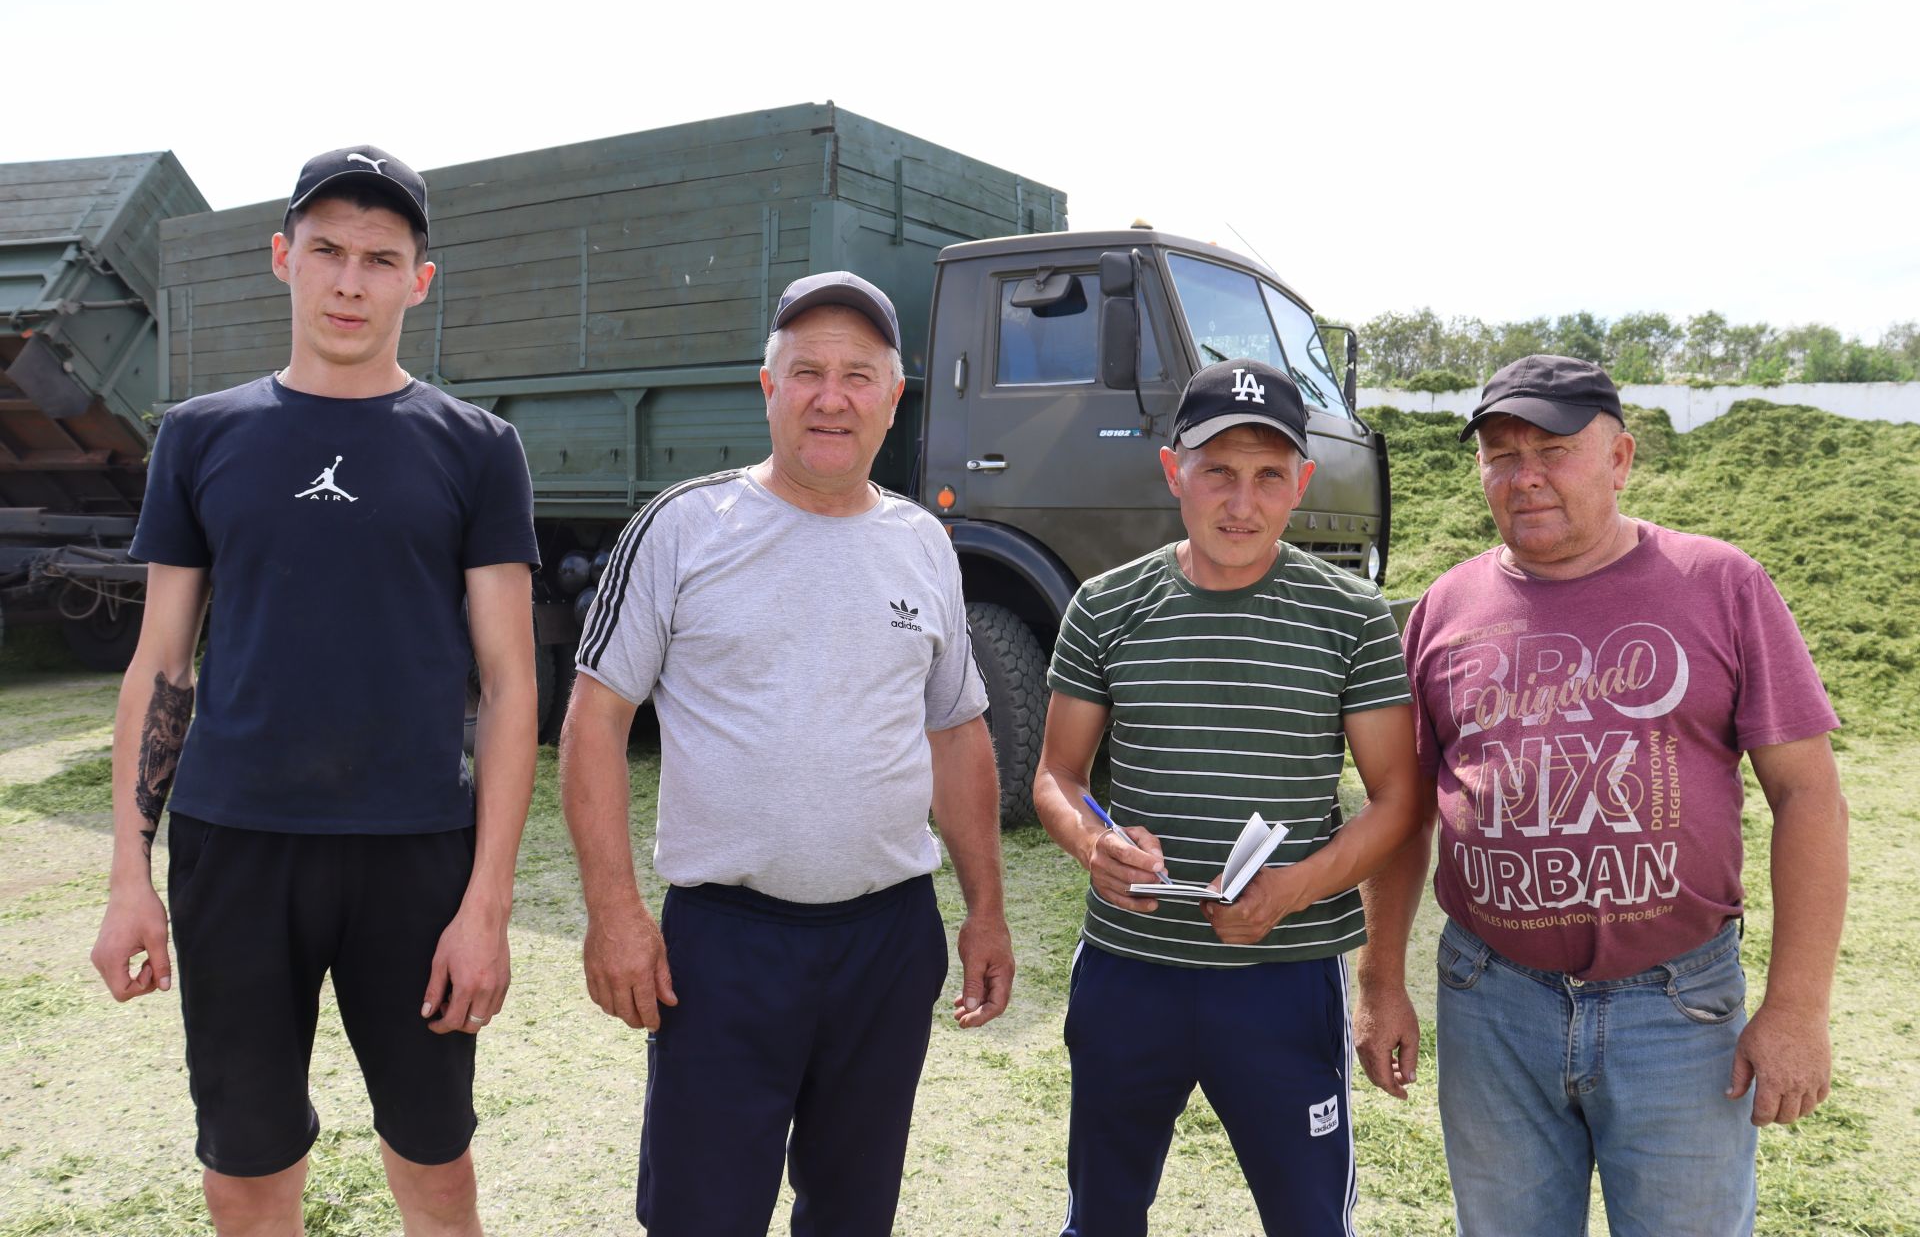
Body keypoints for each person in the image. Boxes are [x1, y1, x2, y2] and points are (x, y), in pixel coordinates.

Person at [89, 146, 540, 1237]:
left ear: (418, 280)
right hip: (235, 844)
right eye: (328, 250)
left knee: (434, 1160)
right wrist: (127, 875)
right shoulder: (201, 435)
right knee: (245, 1169)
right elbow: (162, 662)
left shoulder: (478, 448)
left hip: (415, 850)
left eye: (381, 258)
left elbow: (511, 680)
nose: (350, 281)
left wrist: (487, 903)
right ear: (282, 257)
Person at [558, 270, 1014, 1237]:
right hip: (724, 948)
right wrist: (614, 914)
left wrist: (986, 913)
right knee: (701, 1215)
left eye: (860, 375)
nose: (831, 397)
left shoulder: (924, 545)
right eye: (806, 371)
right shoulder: (683, 528)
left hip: (888, 944)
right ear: (768, 389)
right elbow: (594, 721)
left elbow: (956, 730)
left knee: (853, 1215)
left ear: (895, 400)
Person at [1353, 355, 1848, 1236]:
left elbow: (1808, 795)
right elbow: (1407, 810)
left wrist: (1799, 1007)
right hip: (1491, 1002)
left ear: (1620, 459)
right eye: (1502, 454)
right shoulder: (1442, 609)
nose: (1526, 475)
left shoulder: (1722, 585)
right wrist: (1379, 980)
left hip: (1679, 1011)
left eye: (1554, 449)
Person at [1034, 358, 1422, 1237]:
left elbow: (1396, 799)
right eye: (1217, 471)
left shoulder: (1351, 617)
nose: (1240, 502)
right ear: (1174, 471)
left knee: (1309, 1218)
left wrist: (1295, 888)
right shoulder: (1106, 606)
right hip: (1129, 972)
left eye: (1267, 476)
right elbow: (1058, 776)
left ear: (1301, 486)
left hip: (1281, 980)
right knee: (1101, 1216)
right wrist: (1095, 846)